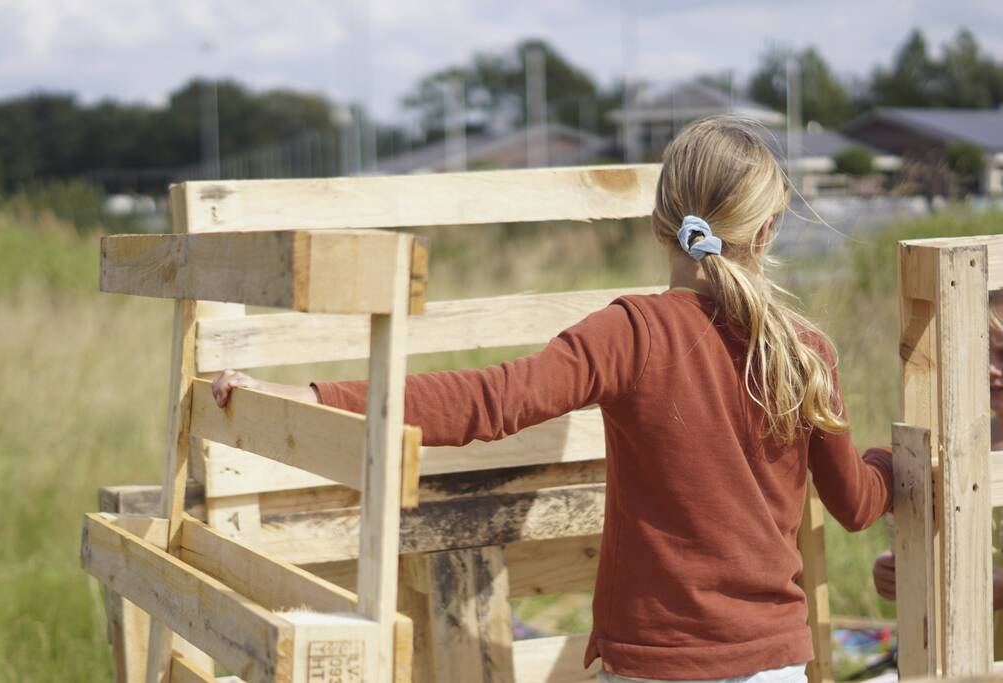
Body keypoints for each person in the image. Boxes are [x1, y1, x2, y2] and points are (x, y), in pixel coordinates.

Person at [211, 116, 894, 683]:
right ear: (767, 231)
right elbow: (857, 505)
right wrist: (900, 464)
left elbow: (488, 400)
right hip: (775, 664)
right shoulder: (805, 353)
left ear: (658, 224)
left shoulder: (632, 332)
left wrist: (312, 394)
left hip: (656, 663)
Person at [871, 291, 1003, 655]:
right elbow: (940, 538)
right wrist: (900, 568)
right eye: (984, 354)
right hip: (971, 654)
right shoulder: (963, 442)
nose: (992, 368)